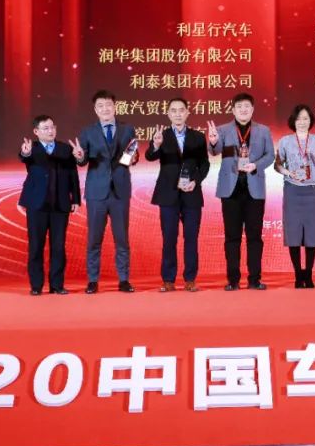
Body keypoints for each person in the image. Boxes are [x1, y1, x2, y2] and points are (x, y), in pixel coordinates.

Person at [70, 89, 139, 294]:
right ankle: (92, 280)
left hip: (120, 191)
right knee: (94, 239)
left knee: (122, 239)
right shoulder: (88, 132)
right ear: (95, 110)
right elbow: (82, 160)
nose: (105, 109)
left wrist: (134, 158)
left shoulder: (128, 129)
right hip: (96, 193)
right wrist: (79, 156)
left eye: (108, 105)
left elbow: (131, 156)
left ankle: (124, 279)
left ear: (115, 107)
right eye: (100, 106)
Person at [207, 92, 274, 290]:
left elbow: (270, 155)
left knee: (254, 237)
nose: (243, 110)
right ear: (233, 110)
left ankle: (254, 279)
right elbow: (215, 151)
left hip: (254, 190)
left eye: (247, 106)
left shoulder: (263, 130)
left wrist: (256, 165)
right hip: (231, 191)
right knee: (232, 237)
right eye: (239, 107)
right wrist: (213, 141)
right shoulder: (222, 130)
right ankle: (233, 280)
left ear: (252, 109)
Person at [146, 98, 210, 292]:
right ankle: (168, 279)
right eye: (173, 110)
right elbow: (150, 156)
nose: (177, 114)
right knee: (169, 238)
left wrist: (195, 181)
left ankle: (190, 279)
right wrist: (156, 145)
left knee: (191, 238)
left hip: (191, 193)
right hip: (168, 194)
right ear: (168, 114)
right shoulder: (161, 135)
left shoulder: (198, 137)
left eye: (181, 110)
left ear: (187, 112)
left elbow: (204, 164)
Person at [18, 115, 80, 296]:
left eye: (52, 127)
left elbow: (73, 175)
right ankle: (36, 286)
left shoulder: (65, 149)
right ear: (36, 131)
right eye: (45, 128)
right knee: (36, 246)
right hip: (37, 204)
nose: (50, 131)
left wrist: (76, 199)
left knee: (58, 247)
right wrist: (26, 153)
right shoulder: (32, 149)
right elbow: (24, 158)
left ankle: (57, 285)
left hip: (60, 204)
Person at [274, 104, 315, 288]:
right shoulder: (285, 141)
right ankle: (298, 274)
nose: (302, 122)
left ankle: (309, 274)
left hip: (312, 191)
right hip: (292, 190)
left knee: (312, 233)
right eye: (299, 119)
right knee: (293, 233)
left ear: (310, 120)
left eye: (306, 118)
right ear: (293, 121)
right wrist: (289, 173)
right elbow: (277, 165)